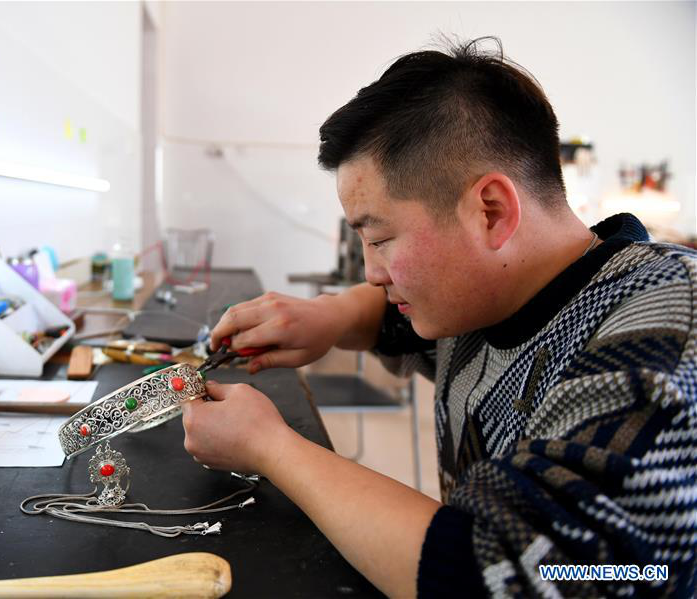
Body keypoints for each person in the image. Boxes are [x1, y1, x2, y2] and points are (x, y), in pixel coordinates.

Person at [181, 37, 697, 598]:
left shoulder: (663, 335)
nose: (372, 273)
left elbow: (509, 575)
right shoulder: (493, 290)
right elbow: (389, 318)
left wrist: (270, 446)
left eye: (380, 239)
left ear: (490, 211)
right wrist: (327, 316)